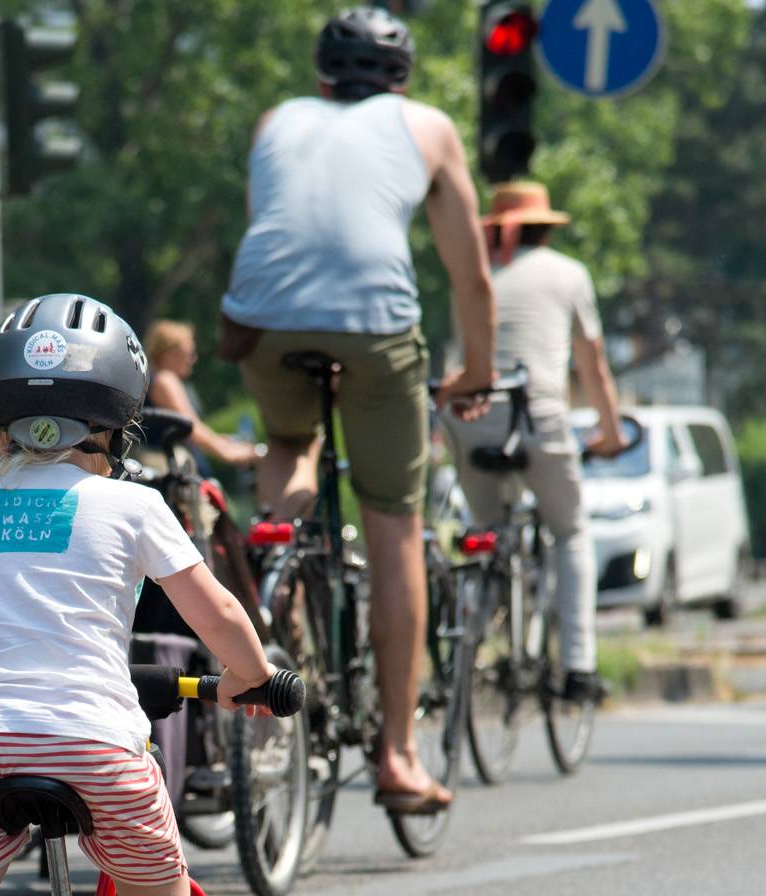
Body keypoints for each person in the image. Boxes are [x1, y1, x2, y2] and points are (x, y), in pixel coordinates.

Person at [217, 5, 496, 813]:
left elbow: (274, 228)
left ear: (321, 76)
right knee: (395, 524)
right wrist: (474, 371)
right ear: (401, 79)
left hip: (261, 319)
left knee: (289, 437)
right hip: (374, 328)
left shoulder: (277, 120)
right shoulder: (430, 127)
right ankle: (400, 757)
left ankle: (281, 572)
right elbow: (470, 275)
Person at [0, 294, 274, 896]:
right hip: (98, 745)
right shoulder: (135, 505)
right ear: (115, 429)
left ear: (0, 430)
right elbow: (217, 610)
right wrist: (250, 674)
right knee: (158, 888)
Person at [443, 183, 624, 702]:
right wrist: (609, 433)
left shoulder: (472, 278)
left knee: (483, 532)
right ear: (548, 227)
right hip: (539, 415)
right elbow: (594, 365)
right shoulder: (569, 275)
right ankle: (578, 666)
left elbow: (458, 359)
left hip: (472, 417)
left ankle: (468, 649)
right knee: (569, 532)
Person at [145, 320, 258, 470]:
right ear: (170, 354)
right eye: (190, 353)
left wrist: (221, 441)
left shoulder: (157, 379)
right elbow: (191, 426)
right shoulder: (165, 380)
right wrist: (229, 453)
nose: (193, 359)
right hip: (166, 467)